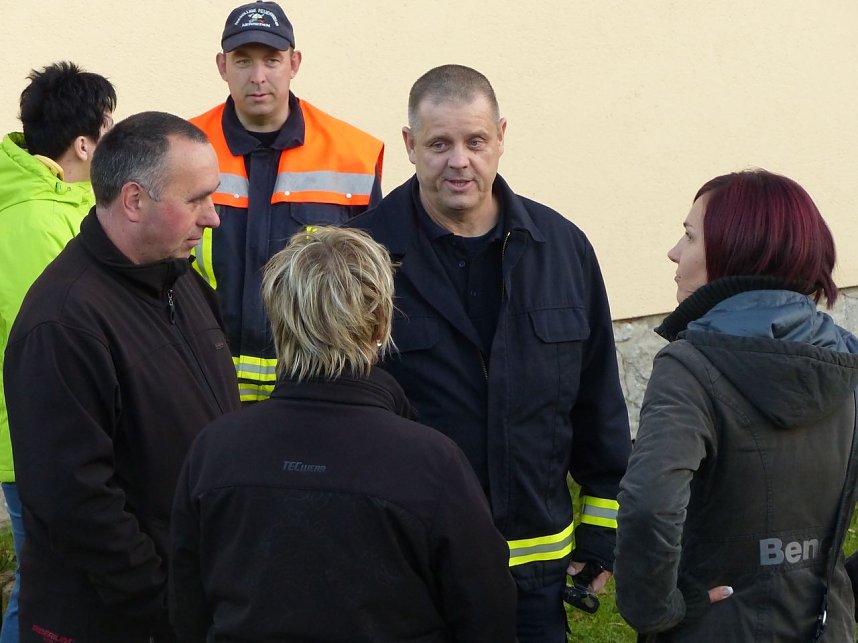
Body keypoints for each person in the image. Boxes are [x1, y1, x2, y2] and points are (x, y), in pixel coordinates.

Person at [346, 64, 632, 643]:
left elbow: (599, 402)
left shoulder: (563, 249)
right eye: (439, 144)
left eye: (475, 141)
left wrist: (602, 535)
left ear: (501, 136)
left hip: (535, 580)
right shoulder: (362, 258)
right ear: (409, 146)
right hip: (409, 572)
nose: (459, 161)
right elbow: (342, 416)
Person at [169, 226, 517, 642]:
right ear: (380, 325)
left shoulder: (215, 449)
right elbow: (486, 612)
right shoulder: (431, 463)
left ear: (279, 322)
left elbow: (187, 603)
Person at [3, 111, 241, 643]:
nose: (213, 218)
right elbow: (77, 504)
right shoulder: (63, 323)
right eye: (196, 199)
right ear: (134, 201)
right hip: (113, 620)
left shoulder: (183, 285)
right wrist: (166, 601)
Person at [614, 169, 858, 641]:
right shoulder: (848, 364)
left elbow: (648, 505)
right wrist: (837, 584)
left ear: (734, 250)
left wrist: (656, 612)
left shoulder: (690, 365)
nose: (674, 252)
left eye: (689, 236)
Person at [190, 0, 385, 403]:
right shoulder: (182, 149)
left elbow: (371, 286)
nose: (258, 77)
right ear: (222, 66)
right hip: (201, 385)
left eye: (272, 60)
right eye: (243, 61)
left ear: (294, 63)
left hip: (316, 392)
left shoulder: (353, 155)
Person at [0, 60, 116, 643]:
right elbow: (54, 347)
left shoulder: (49, 206)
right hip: (34, 441)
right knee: (44, 586)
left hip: (34, 437)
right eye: (108, 130)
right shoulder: (37, 220)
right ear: (83, 143)